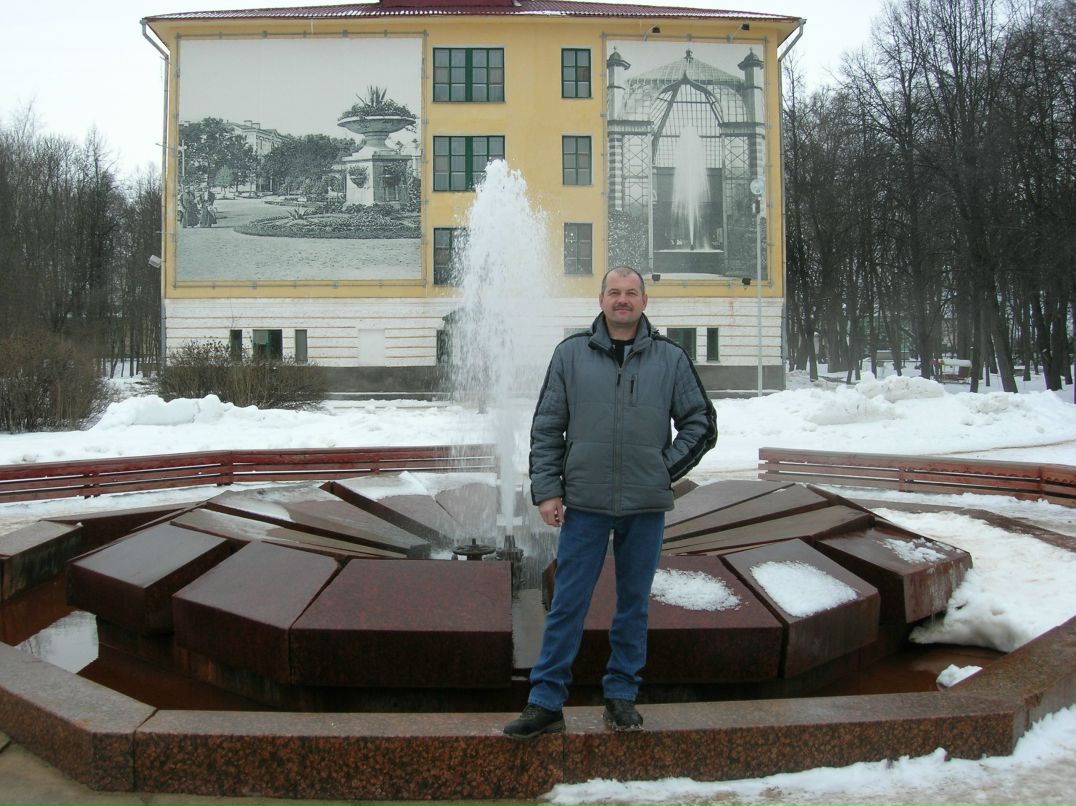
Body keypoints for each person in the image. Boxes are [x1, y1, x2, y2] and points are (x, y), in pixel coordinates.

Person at [504, 266, 717, 741]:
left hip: (644, 507)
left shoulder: (670, 358)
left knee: (633, 606)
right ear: (600, 299)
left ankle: (621, 696)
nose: (623, 300)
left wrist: (663, 470)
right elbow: (546, 428)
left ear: (644, 301)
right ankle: (546, 701)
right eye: (614, 293)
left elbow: (701, 423)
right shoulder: (571, 355)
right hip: (585, 504)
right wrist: (548, 490)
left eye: (631, 293)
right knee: (567, 604)